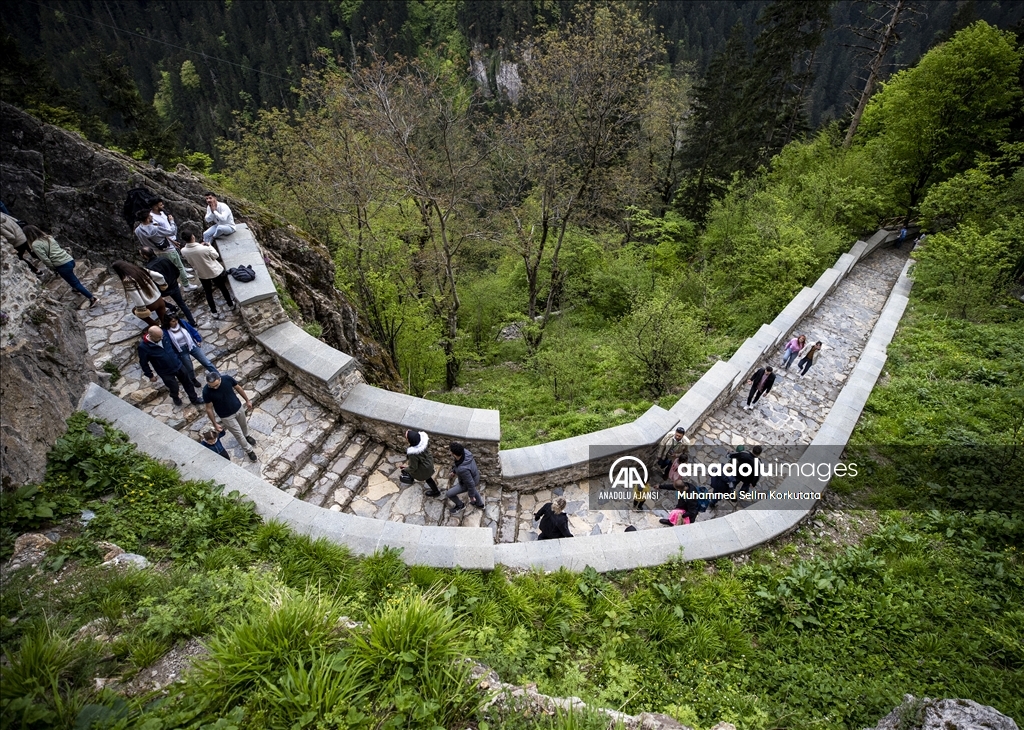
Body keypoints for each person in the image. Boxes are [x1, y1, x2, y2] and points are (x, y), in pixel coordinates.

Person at [24, 225, 98, 306]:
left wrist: (52, 267)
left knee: (75, 283)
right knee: (71, 278)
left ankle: (92, 298)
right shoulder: (48, 237)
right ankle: (76, 289)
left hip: (61, 265)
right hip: (69, 259)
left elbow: (44, 259)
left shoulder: (35, 244)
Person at [138, 326, 203, 407]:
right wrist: (150, 375)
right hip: (165, 371)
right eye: (159, 337)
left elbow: (173, 346)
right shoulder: (143, 347)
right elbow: (143, 362)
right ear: (151, 336)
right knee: (174, 387)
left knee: (188, 382)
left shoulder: (163, 335)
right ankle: (175, 396)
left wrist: (178, 358)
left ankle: (194, 399)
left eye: (162, 335)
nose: (162, 338)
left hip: (178, 364)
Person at [179, 225, 235, 318]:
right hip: (213, 271)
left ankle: (214, 311)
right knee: (223, 288)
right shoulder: (204, 248)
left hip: (201, 274)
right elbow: (215, 255)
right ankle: (230, 304)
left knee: (208, 292)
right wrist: (209, 246)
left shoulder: (183, 251)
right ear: (193, 237)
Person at [203, 371, 257, 462]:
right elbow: (209, 408)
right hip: (226, 416)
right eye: (211, 386)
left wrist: (247, 400)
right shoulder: (206, 391)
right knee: (238, 434)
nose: (214, 388)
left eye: (216, 385)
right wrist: (214, 423)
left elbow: (238, 388)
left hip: (238, 408)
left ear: (219, 379)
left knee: (243, 425)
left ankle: (247, 435)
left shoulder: (227, 379)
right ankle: (249, 450)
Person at [135, 209, 193, 289]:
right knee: (179, 267)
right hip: (168, 250)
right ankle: (186, 285)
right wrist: (172, 221)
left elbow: (144, 244)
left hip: (155, 252)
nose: (152, 216)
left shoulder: (138, 230)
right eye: (150, 215)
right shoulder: (155, 228)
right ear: (147, 218)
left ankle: (174, 283)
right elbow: (172, 232)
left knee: (166, 269)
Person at [141, 246, 197, 327]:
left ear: (145, 256)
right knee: (182, 304)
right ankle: (192, 322)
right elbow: (176, 270)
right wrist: (174, 280)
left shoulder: (149, 269)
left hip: (163, 290)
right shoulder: (164, 259)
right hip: (174, 285)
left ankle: (171, 307)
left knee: (156, 299)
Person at [163, 313, 217, 385]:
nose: (176, 322)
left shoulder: (182, 323)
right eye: (173, 321)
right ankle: (193, 379)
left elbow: (192, 330)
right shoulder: (165, 332)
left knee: (206, 362)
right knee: (189, 367)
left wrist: (198, 340)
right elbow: (168, 344)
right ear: (168, 322)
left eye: (176, 320)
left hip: (191, 345)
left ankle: (217, 376)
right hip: (181, 350)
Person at [112, 260, 168, 326]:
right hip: (159, 299)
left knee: (135, 311)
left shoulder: (127, 280)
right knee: (165, 320)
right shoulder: (140, 270)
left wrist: (142, 310)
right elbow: (159, 276)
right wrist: (163, 284)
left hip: (150, 304)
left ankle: (155, 326)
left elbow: (136, 297)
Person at [445, 442, 483, 512]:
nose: (449, 452)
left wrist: (471, 496)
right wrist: (454, 471)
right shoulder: (465, 452)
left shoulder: (462, 469)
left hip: (469, 482)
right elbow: (457, 463)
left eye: (451, 451)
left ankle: (460, 505)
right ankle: (480, 504)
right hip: (475, 476)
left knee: (449, 494)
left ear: (454, 454)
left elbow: (470, 483)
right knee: (473, 489)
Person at [400, 430, 439, 496]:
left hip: (424, 468)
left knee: (428, 478)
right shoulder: (423, 442)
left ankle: (436, 492)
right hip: (428, 462)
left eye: (407, 438)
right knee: (428, 477)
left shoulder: (413, 454)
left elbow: (413, 467)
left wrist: (405, 469)